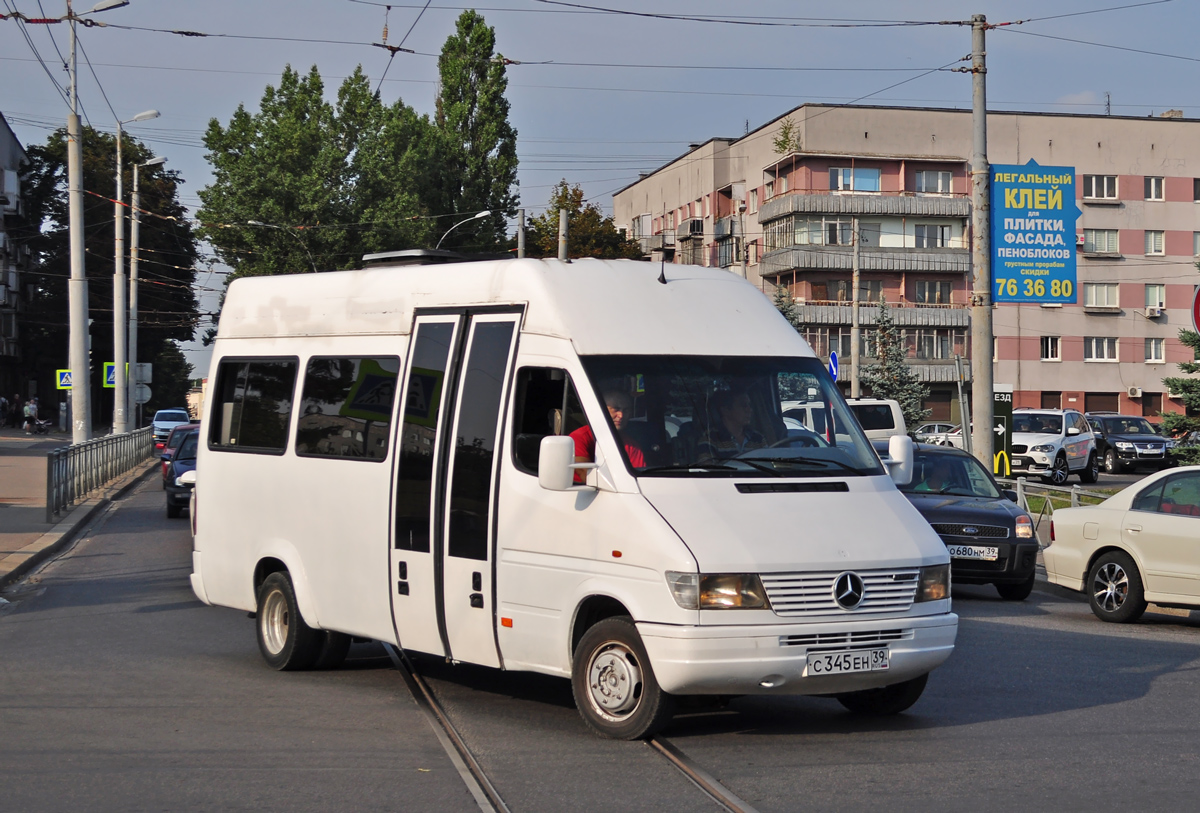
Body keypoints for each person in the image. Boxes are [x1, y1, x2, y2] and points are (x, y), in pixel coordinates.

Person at [569, 390, 645, 481]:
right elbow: (587, 477)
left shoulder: (631, 445)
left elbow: (639, 479)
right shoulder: (579, 438)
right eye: (616, 409)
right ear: (600, 410)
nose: (621, 415)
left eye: (626, 410)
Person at [698, 389, 766, 458]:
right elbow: (708, 466)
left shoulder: (758, 439)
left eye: (749, 405)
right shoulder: (710, 439)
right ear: (725, 411)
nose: (749, 410)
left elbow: (769, 464)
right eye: (743, 405)